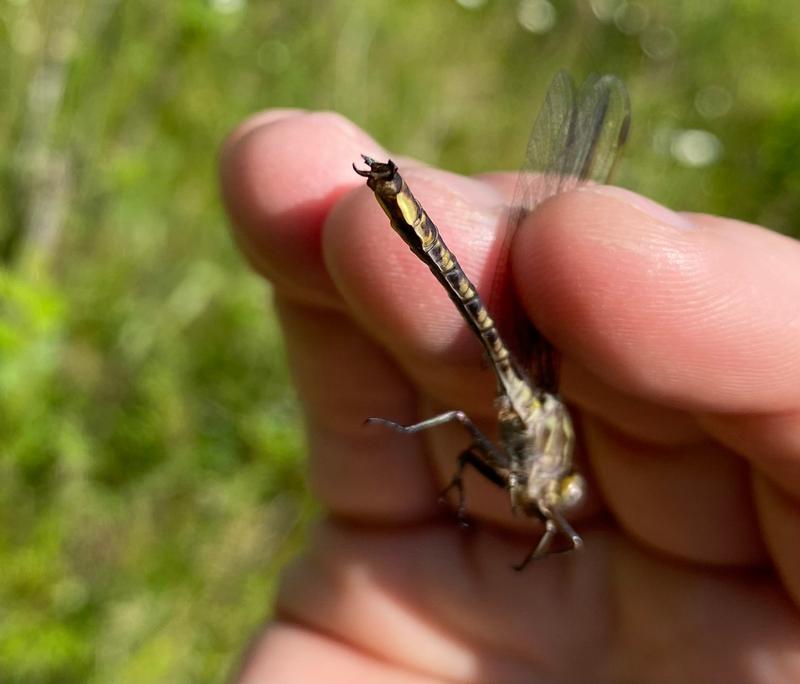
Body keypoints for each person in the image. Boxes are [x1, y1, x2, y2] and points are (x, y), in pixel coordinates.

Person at [220, 110, 800, 683]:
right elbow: (467, 433)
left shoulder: (535, 487)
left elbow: (478, 456)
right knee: (544, 258)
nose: (558, 499)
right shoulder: (544, 455)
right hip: (514, 358)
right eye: (563, 488)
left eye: (563, 492)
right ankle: (390, 190)